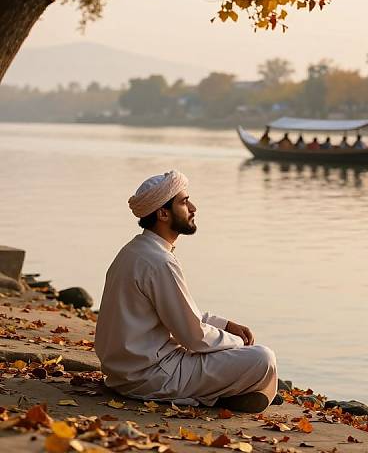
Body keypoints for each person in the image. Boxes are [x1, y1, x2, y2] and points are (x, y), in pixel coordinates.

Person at [95, 170, 277, 412]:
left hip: (124, 373)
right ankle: (227, 394)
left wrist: (224, 325)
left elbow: (176, 313)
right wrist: (237, 343)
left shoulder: (135, 251)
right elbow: (194, 337)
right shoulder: (159, 261)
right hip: (152, 376)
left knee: (246, 356)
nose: (193, 207)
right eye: (183, 201)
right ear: (163, 213)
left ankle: (227, 394)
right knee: (262, 358)